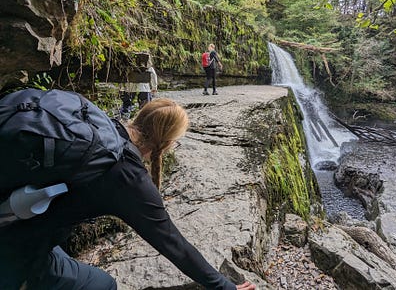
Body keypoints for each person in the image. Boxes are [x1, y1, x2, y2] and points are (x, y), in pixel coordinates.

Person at [0, 98, 256, 290]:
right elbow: (175, 245)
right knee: (103, 285)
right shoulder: (128, 177)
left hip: (14, 220)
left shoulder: (101, 125)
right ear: (166, 144)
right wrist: (226, 287)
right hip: (14, 250)